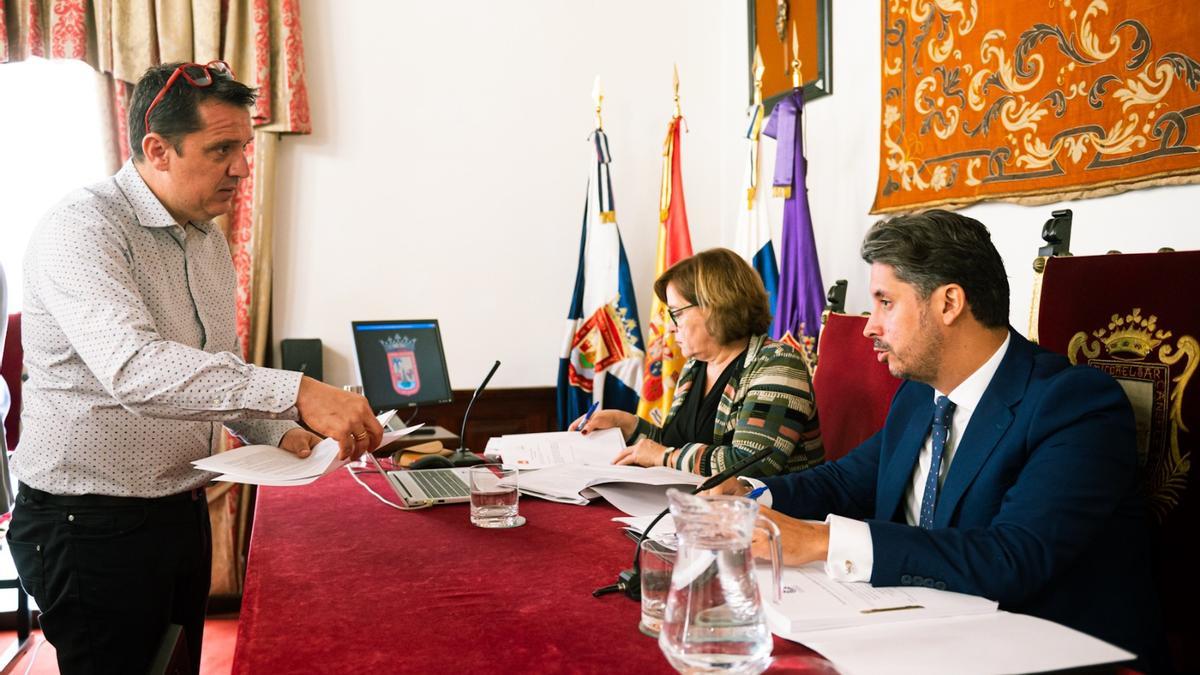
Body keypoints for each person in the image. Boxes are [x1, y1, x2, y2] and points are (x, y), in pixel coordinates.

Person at [6, 61, 383, 674]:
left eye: (244, 147)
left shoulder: (204, 237)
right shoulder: (82, 228)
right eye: (222, 149)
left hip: (179, 507)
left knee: (178, 667)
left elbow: (215, 372)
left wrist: (277, 430)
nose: (241, 167)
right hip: (89, 522)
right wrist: (298, 391)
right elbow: (135, 369)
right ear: (157, 149)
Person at [714, 210, 1164, 669]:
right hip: (924, 631)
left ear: (949, 303)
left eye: (885, 302)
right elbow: (847, 481)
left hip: (1046, 652)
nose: (869, 326)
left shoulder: (1074, 405)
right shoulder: (918, 394)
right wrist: (750, 497)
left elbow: (1012, 559)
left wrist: (823, 540)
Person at [574, 248, 823, 478]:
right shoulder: (695, 367)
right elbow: (675, 447)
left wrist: (662, 456)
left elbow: (751, 464)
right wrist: (624, 423)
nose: (670, 328)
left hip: (769, 518)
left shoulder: (777, 364)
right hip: (694, 508)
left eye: (676, 313)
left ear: (716, 305)